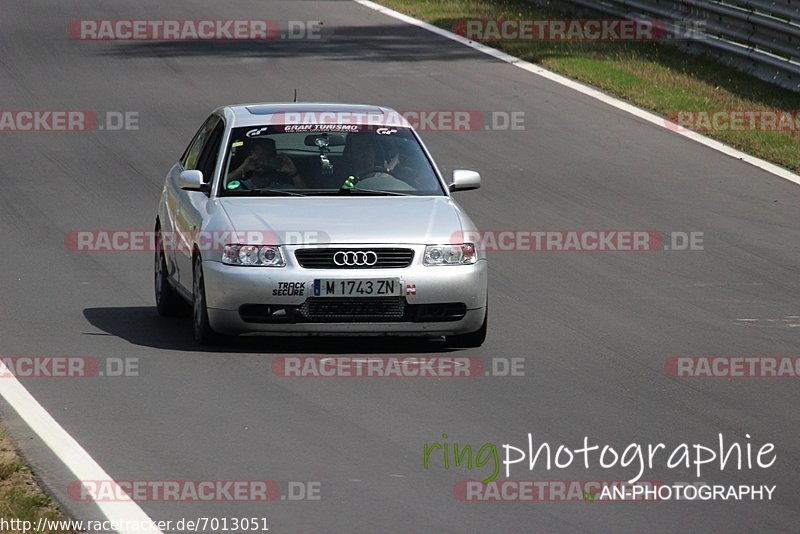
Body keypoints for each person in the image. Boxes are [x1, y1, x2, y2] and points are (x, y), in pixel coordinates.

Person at [227, 137, 306, 189]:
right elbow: (216, 188)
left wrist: (293, 173)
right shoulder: (236, 186)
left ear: (275, 159)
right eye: (260, 156)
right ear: (251, 156)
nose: (264, 161)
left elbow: (306, 199)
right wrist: (242, 169)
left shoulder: (284, 190)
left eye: (268, 156)